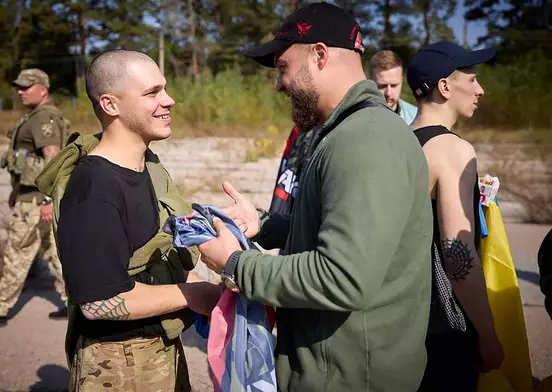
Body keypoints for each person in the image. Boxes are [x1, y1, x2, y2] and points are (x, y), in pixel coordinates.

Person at [197, 3, 434, 391]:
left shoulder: (365, 139)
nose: (278, 83)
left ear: (319, 55)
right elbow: (342, 231)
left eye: (283, 67)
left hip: (349, 378)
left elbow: (342, 277)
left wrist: (236, 265)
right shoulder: (351, 131)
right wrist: (266, 226)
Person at [53, 50, 222, 392]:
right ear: (110, 104)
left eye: (165, 89)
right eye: (152, 93)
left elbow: (152, 256)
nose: (169, 100)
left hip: (159, 348)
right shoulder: (95, 187)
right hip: (119, 363)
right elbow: (100, 303)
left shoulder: (145, 167)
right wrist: (194, 295)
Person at [406, 41, 505, 391]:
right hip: (443, 328)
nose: (480, 89)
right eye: (473, 79)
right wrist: (489, 334)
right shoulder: (453, 150)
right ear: (445, 87)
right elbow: (457, 256)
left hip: (398, 323)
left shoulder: (396, 143)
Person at [0, 68, 69, 329]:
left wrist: (47, 199)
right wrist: (16, 192)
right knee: (58, 256)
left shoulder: (43, 118)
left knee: (17, 254)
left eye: (26, 87)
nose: (20, 91)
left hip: (36, 203)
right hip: (32, 198)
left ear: (42, 89)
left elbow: (52, 158)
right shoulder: (36, 117)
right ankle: (76, 305)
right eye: (18, 87)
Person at [369, 49, 418, 124]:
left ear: (402, 81)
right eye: (382, 86)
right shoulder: (357, 117)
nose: (388, 93)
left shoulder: (416, 117)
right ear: (370, 82)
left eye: (394, 85)